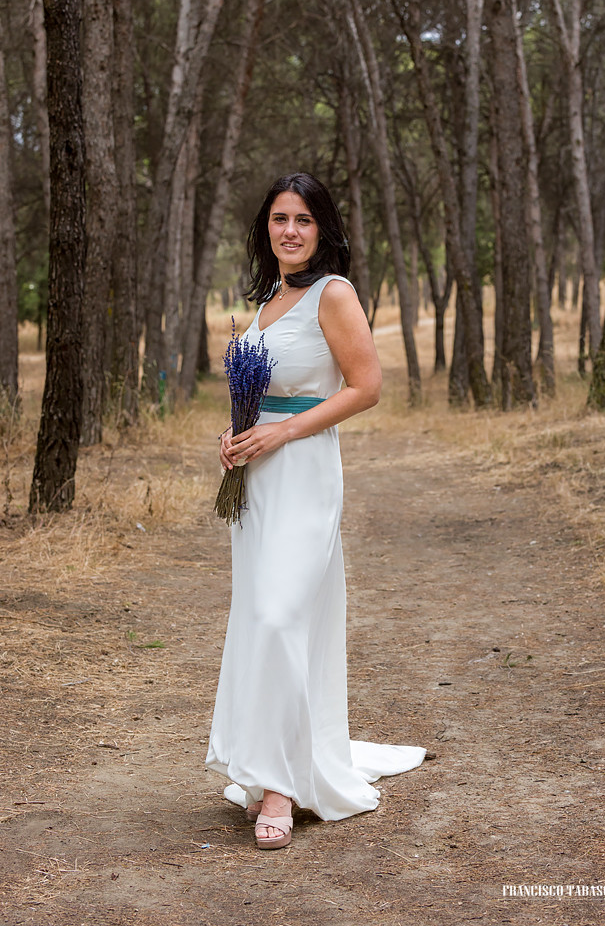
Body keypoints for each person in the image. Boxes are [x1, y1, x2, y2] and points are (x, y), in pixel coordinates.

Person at [206, 172, 426, 849]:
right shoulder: (270, 297)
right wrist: (238, 434)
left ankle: (282, 786)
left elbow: (367, 387)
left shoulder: (333, 294)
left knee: (281, 616)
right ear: (265, 228)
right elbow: (263, 386)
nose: (290, 231)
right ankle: (265, 764)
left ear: (322, 229)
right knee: (258, 618)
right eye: (279, 219)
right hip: (257, 477)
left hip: (303, 473)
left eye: (303, 219)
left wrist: (283, 432)